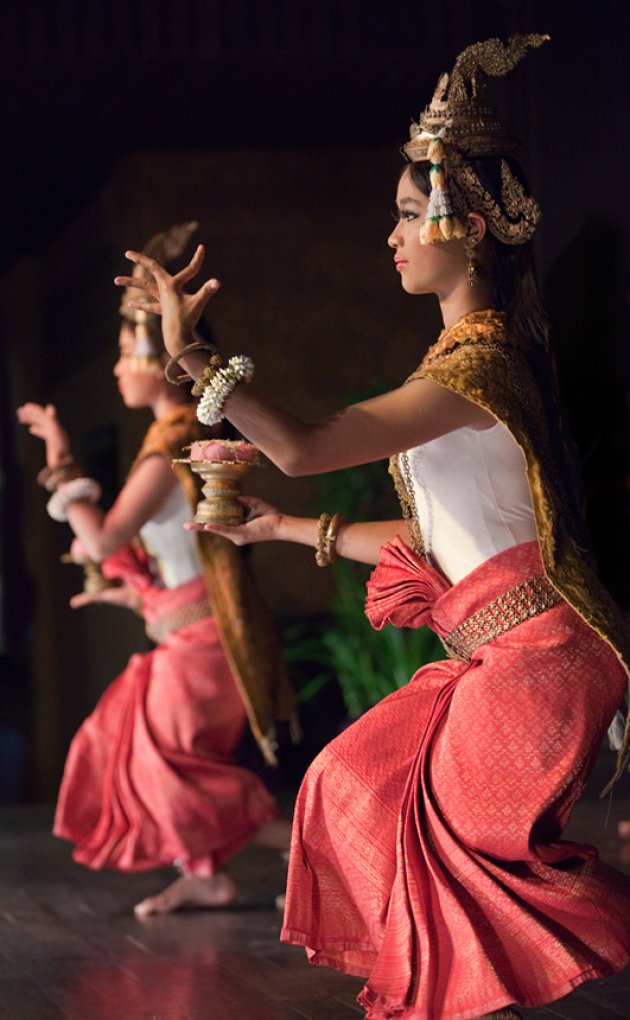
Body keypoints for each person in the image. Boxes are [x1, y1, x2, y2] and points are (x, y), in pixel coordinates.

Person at [113, 36, 630, 1020]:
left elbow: (303, 443)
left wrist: (194, 361)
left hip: (539, 659)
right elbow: (439, 545)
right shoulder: (464, 365)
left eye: (405, 214)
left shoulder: (477, 369)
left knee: (442, 861)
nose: (390, 236)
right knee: (350, 782)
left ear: (465, 224)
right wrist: (282, 531)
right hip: (498, 650)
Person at [17, 222, 295, 918]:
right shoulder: (175, 438)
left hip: (201, 647)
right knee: (142, 754)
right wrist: (119, 592)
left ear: (152, 354)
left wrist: (59, 458)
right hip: (191, 636)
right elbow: (158, 560)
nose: (115, 368)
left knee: (159, 764)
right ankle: (205, 871)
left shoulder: (170, 443)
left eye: (121, 353)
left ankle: (309, 840)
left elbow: (105, 531)